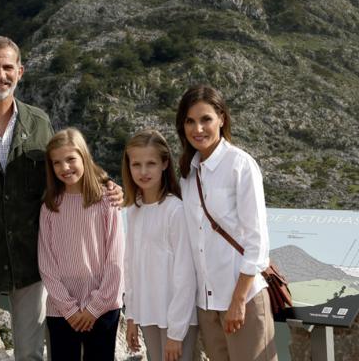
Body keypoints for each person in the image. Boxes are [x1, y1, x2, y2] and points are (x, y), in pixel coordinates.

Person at [0, 36, 122, 360]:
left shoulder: (39, 122)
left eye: (7, 67)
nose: (0, 74)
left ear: (20, 71)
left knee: (30, 354)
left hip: (31, 261)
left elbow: (66, 167)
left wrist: (106, 182)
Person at [175, 85, 277, 361]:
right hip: (207, 305)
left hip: (241, 300)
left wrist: (238, 301)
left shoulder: (240, 165)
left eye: (206, 119)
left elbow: (257, 241)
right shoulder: (187, 173)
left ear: (222, 118)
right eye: (190, 121)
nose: (198, 129)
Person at [38, 128, 124, 360]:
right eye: (57, 163)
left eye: (71, 159)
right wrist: (70, 309)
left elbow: (116, 260)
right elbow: (46, 265)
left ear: (84, 157)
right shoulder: (50, 207)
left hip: (103, 308)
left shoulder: (107, 200)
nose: (65, 168)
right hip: (61, 311)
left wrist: (94, 308)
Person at [121, 129, 198, 361]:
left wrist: (176, 334)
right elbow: (131, 267)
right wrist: (132, 316)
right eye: (136, 164)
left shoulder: (176, 210)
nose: (143, 172)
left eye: (151, 163)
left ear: (165, 163)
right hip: (148, 314)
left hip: (177, 320)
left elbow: (186, 276)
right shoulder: (134, 210)